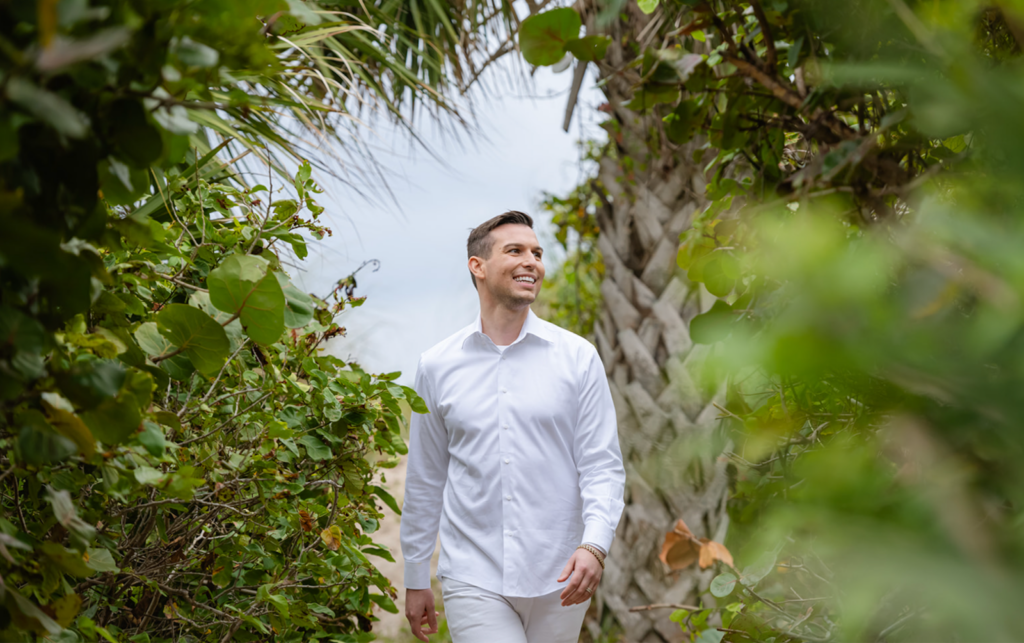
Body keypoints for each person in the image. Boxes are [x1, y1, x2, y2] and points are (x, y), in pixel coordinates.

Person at [400, 211, 626, 643]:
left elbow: (602, 465)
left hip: (562, 575)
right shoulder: (437, 365)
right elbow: (426, 479)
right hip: (473, 573)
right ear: (477, 266)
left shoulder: (578, 357)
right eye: (516, 251)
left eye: (537, 253)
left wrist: (594, 546)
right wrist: (415, 577)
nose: (532, 262)